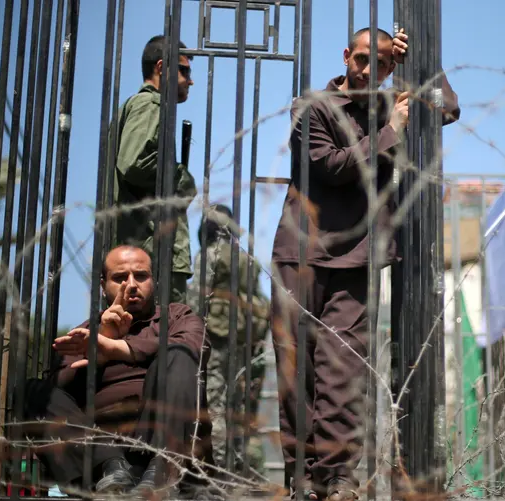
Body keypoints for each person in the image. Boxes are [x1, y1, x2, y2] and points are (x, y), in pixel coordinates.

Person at [270, 27, 460, 500]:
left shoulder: (387, 101)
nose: (366, 70)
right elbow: (327, 164)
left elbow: (447, 108)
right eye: (359, 60)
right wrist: (391, 132)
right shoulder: (312, 105)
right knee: (297, 377)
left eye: (379, 64)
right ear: (345, 56)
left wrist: (421, 58)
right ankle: (300, 478)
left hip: (354, 261)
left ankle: (337, 479)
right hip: (301, 255)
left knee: (342, 373)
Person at [23, 245, 211, 496]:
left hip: (163, 447)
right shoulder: (87, 332)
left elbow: (194, 348)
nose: (131, 285)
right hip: (100, 454)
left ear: (153, 280)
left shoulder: (178, 317)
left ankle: (163, 473)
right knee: (32, 390)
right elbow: (58, 391)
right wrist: (101, 346)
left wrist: (118, 348)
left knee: (178, 354)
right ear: (103, 285)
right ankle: (112, 472)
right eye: (120, 277)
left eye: (141, 276)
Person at [188, 204, 271, 478]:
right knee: (237, 407)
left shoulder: (209, 256)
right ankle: (241, 469)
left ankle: (219, 470)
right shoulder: (246, 258)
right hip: (245, 340)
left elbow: (196, 300)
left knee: (216, 405)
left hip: (215, 339)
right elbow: (260, 300)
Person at [113, 34, 197, 303]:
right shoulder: (151, 105)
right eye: (184, 70)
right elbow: (134, 164)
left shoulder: (147, 107)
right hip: (152, 253)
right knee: (164, 335)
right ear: (162, 68)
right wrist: (181, 179)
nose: (190, 80)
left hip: (147, 251)